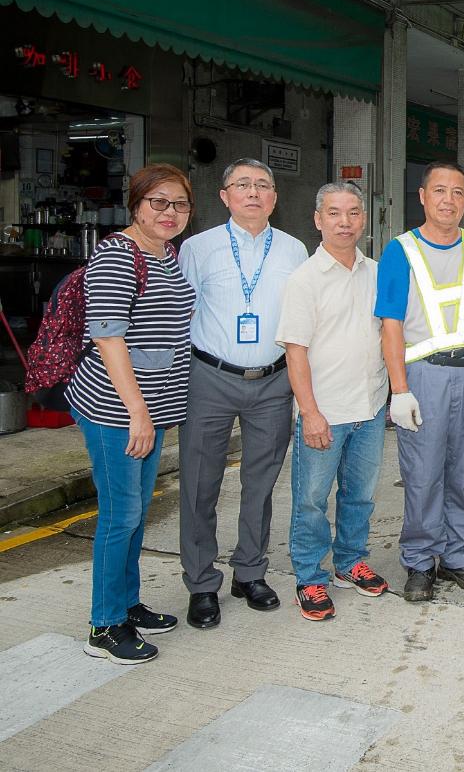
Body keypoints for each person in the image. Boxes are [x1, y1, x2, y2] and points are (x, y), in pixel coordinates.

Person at [67, 164, 197, 663]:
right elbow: (107, 337)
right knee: (120, 515)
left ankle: (127, 604)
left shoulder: (166, 253)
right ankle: (104, 625)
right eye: (158, 202)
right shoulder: (116, 256)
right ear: (136, 204)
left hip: (152, 408)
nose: (170, 212)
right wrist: (136, 411)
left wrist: (153, 411)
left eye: (179, 204)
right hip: (114, 408)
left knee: (136, 512)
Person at [376, 161, 464, 602]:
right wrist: (399, 389)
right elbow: (390, 325)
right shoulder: (400, 251)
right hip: (422, 377)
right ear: (422, 196)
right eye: (439, 190)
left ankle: (458, 556)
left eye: (458, 192)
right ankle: (420, 561)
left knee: (460, 471)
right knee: (422, 474)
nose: (449, 200)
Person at [178, 158, 308, 629]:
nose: (253, 193)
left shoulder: (294, 250)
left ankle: (250, 572)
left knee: (260, 483)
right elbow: (181, 313)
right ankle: (201, 582)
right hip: (210, 377)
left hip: (273, 381)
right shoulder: (197, 248)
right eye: (243, 185)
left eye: (262, 186)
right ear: (225, 196)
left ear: (274, 198)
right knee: (199, 483)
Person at [275, 182, 389, 621]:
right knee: (311, 501)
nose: (345, 222)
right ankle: (309, 577)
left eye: (353, 213)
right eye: (335, 213)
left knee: (360, 496)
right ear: (318, 219)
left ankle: (349, 562)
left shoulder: (376, 272)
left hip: (370, 407)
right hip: (325, 412)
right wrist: (310, 413)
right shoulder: (304, 280)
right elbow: (295, 351)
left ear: (364, 219)